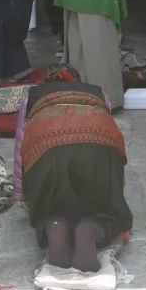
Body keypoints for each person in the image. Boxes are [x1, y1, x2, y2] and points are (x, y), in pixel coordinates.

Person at [20, 81, 131, 272]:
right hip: (98, 138)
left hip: (46, 143)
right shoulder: (98, 92)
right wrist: (113, 191)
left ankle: (55, 225)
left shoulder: (30, 98)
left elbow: (19, 155)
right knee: (107, 208)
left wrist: (26, 196)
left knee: (48, 206)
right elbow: (117, 153)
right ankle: (90, 228)